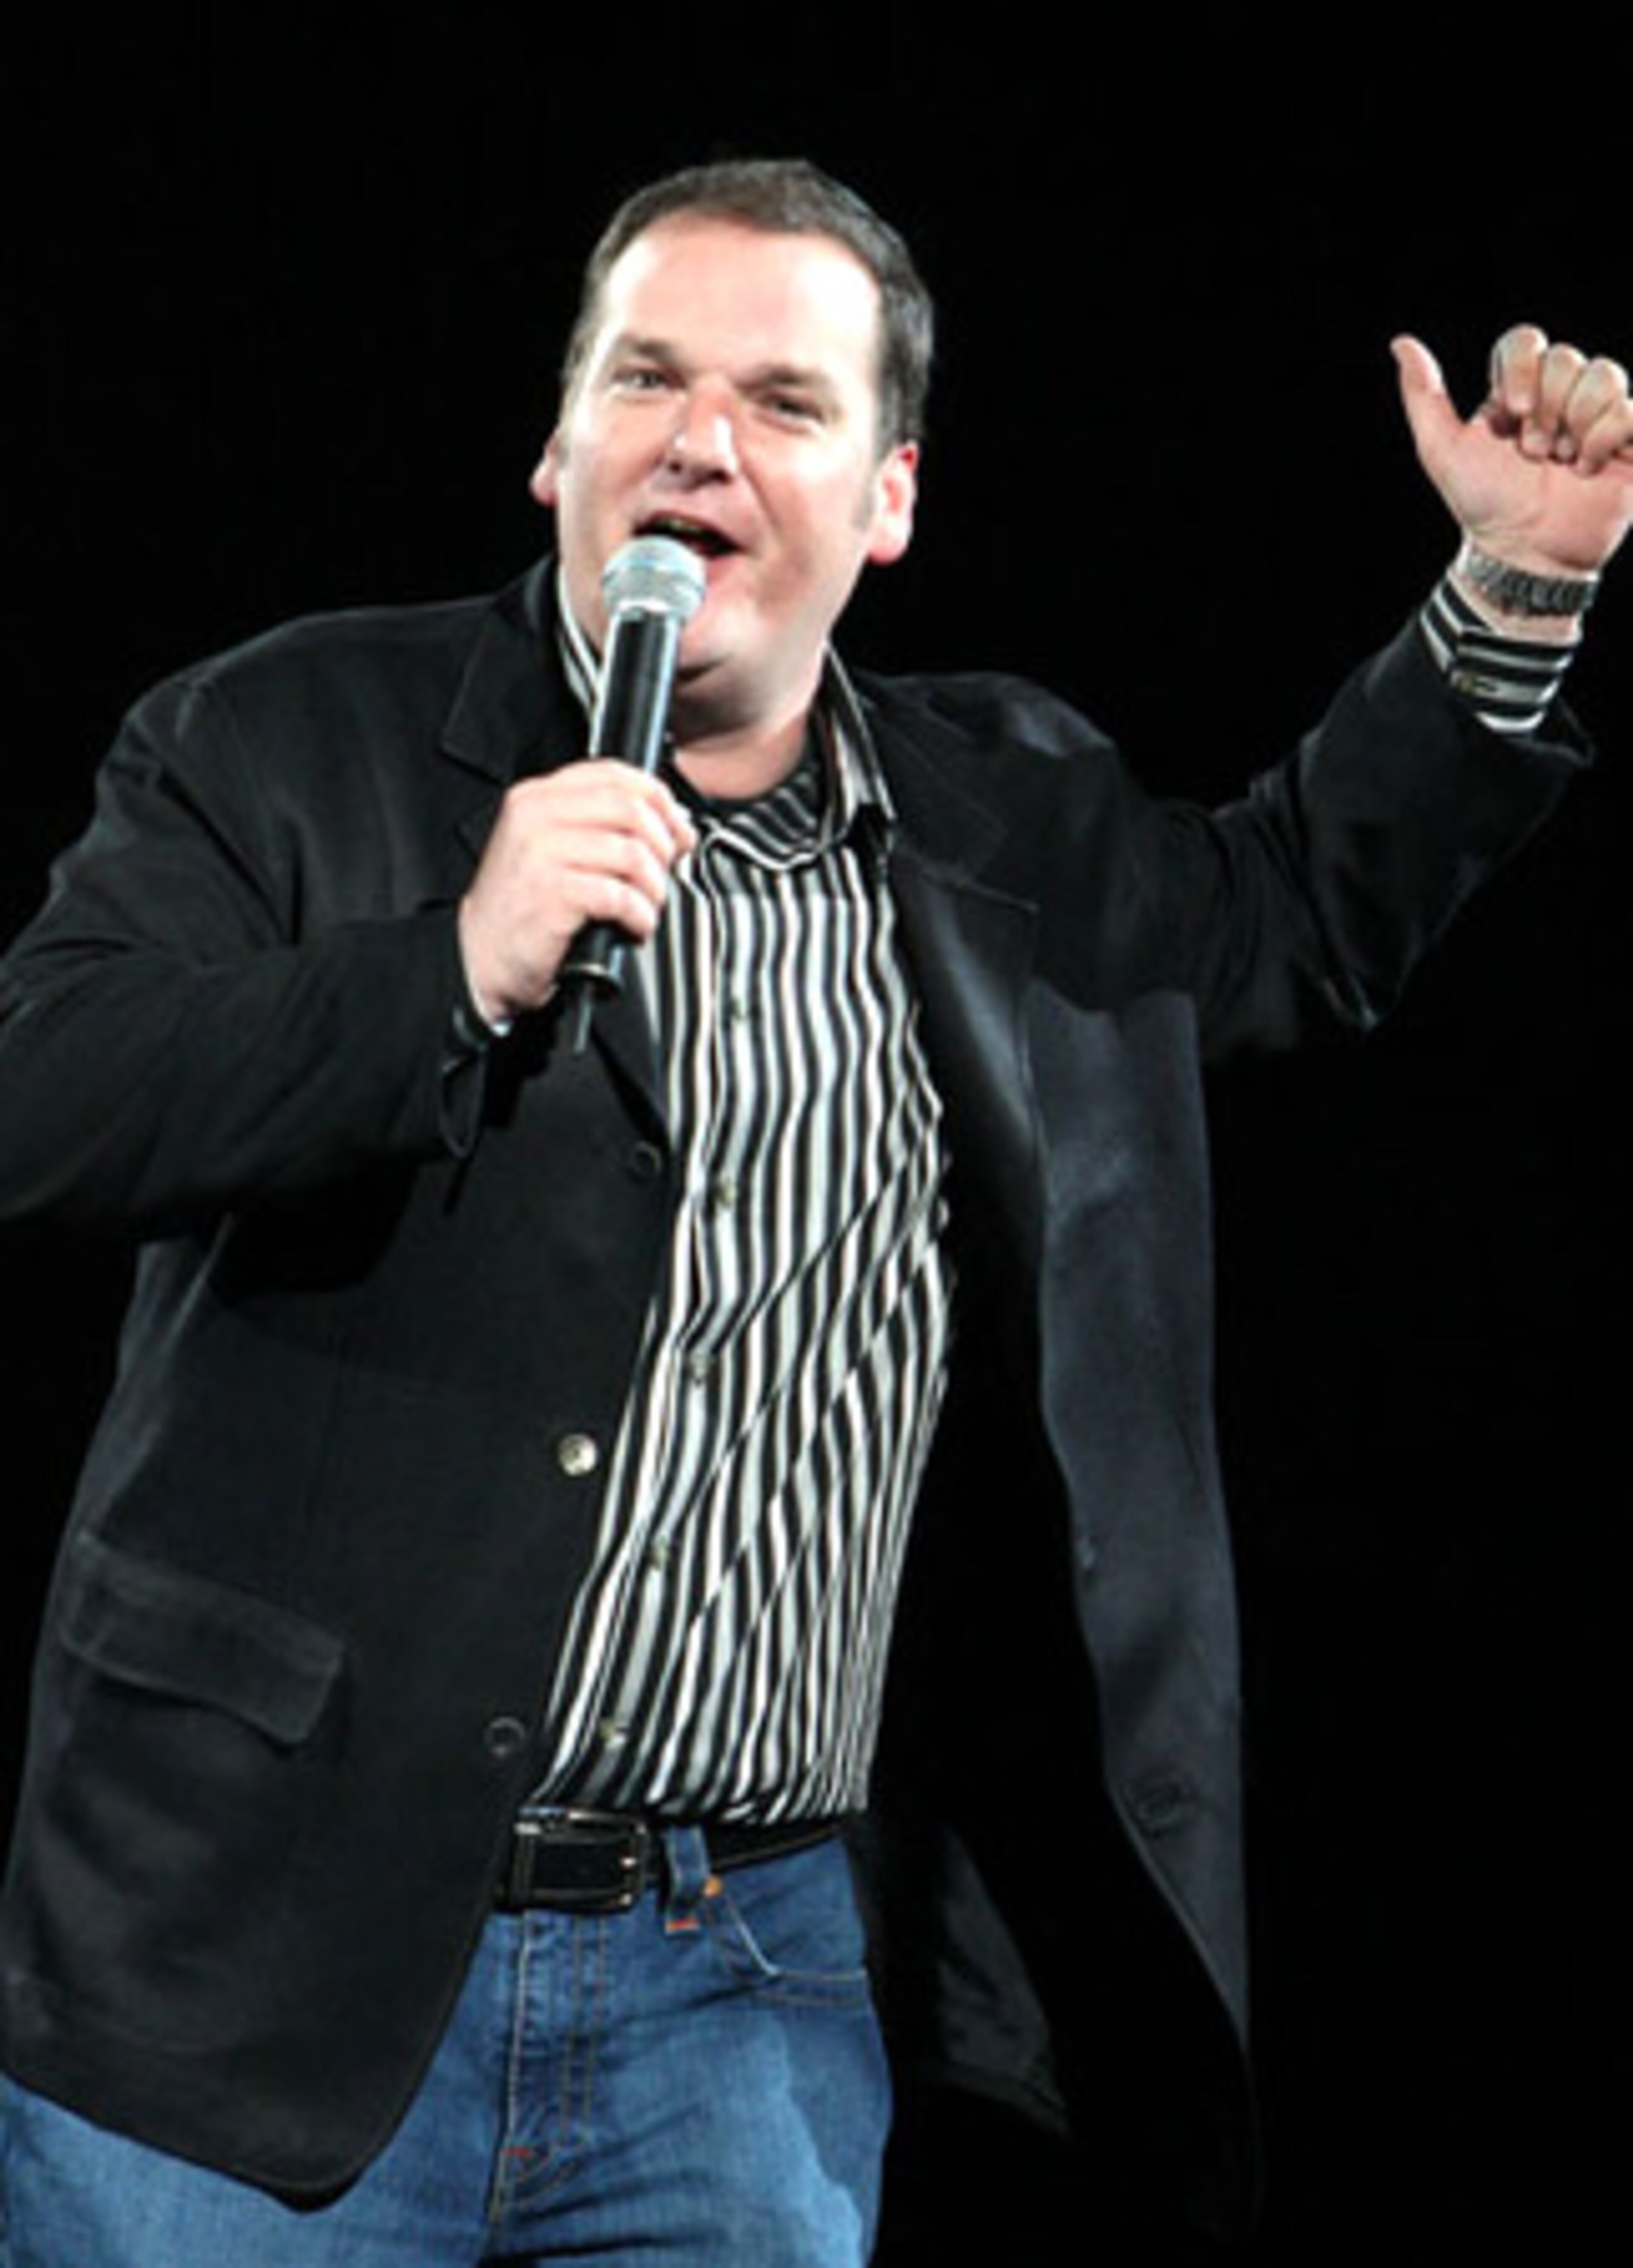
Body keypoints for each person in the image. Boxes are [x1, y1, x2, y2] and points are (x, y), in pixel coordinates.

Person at [0, 154, 1627, 2267]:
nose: (701, 441)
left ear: (890, 499)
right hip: (251, 1956)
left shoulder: (1004, 811)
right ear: (559, 442)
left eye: (785, 402)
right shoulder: (284, 737)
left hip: (734, 1997)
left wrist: (1507, 593)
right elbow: (45, 1095)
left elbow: (1288, 915)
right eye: (647, 380)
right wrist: (448, 968)